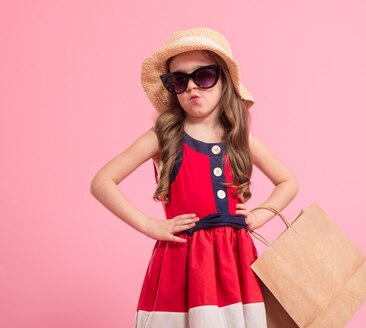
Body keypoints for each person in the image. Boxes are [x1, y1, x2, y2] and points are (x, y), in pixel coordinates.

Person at [89, 27, 299, 328]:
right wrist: (149, 225)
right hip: (183, 262)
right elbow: (102, 181)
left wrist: (259, 216)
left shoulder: (239, 138)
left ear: (224, 79)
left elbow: (287, 181)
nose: (191, 88)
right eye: (179, 80)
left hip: (235, 263)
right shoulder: (163, 137)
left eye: (203, 76)